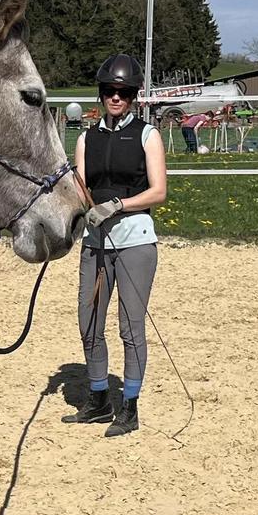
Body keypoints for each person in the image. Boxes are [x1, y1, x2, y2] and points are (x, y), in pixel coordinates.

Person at [62, 53, 167, 437]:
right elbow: (80, 189)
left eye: (123, 92)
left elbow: (159, 191)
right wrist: (75, 211)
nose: (116, 97)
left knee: (130, 326)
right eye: (109, 91)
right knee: (88, 321)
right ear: (102, 94)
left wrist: (119, 205)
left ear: (133, 95)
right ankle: (98, 399)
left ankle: (130, 407)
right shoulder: (86, 138)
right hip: (95, 242)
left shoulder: (146, 135)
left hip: (135, 242)